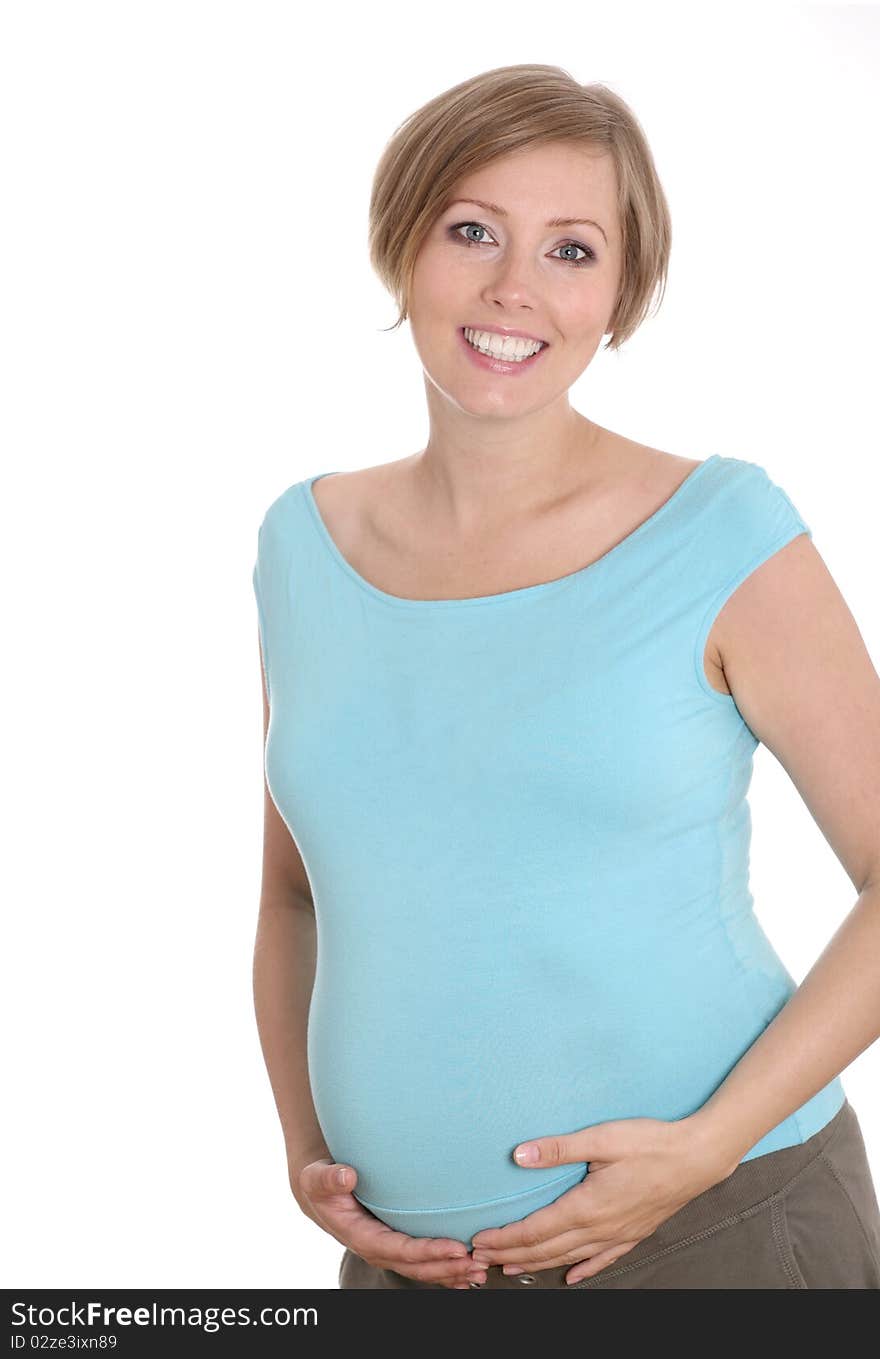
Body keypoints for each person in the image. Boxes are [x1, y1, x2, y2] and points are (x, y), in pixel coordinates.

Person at [251, 64, 880, 1289]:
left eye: (572, 251)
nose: (512, 289)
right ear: (402, 245)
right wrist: (304, 1150)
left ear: (622, 297)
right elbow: (295, 899)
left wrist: (705, 1147)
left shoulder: (722, 533)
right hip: (405, 1267)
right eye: (472, 230)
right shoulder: (300, 545)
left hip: (717, 1232)